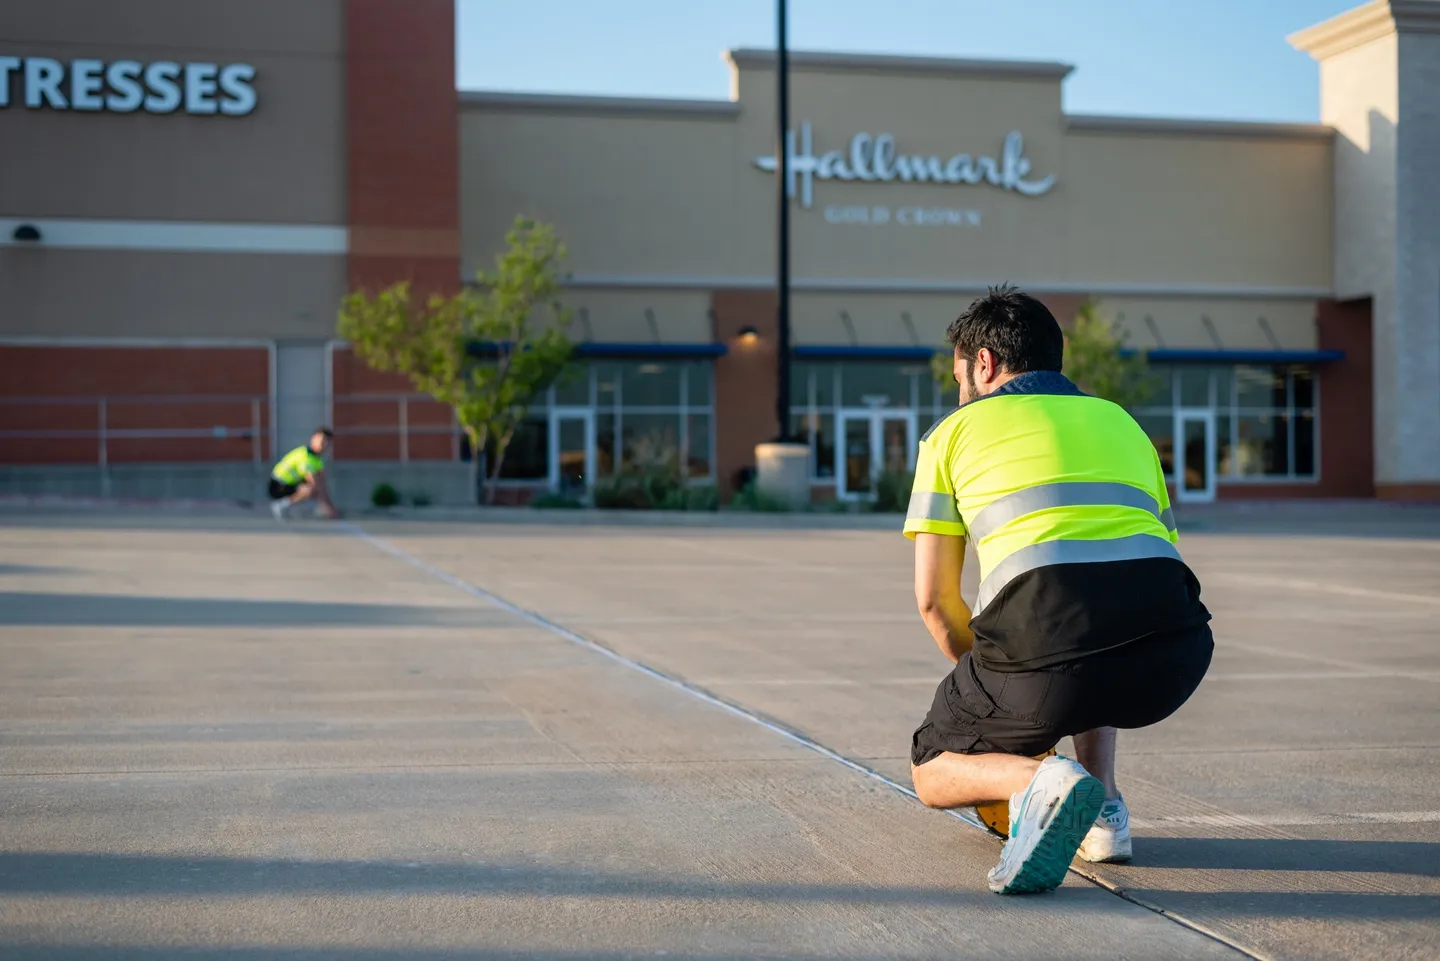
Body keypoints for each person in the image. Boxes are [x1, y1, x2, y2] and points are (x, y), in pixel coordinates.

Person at [903, 285, 1213, 895]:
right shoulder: (1121, 422)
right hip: (1176, 656)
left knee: (930, 768)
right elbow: (1141, 557)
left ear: (984, 363)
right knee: (1094, 617)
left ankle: (1035, 783)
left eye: (960, 372)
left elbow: (936, 604)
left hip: (1048, 649)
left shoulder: (952, 434)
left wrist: (1001, 695)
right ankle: (1105, 815)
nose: (958, 387)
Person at [268, 427, 340, 520]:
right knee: (312, 489)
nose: (324, 444)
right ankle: (281, 506)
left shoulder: (318, 460)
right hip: (278, 485)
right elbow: (316, 484)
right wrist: (329, 508)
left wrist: (331, 507)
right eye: (321, 441)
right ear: (313, 439)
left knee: (317, 487)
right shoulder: (305, 456)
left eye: (327, 442)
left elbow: (323, 485)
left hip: (291, 485)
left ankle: (317, 509)